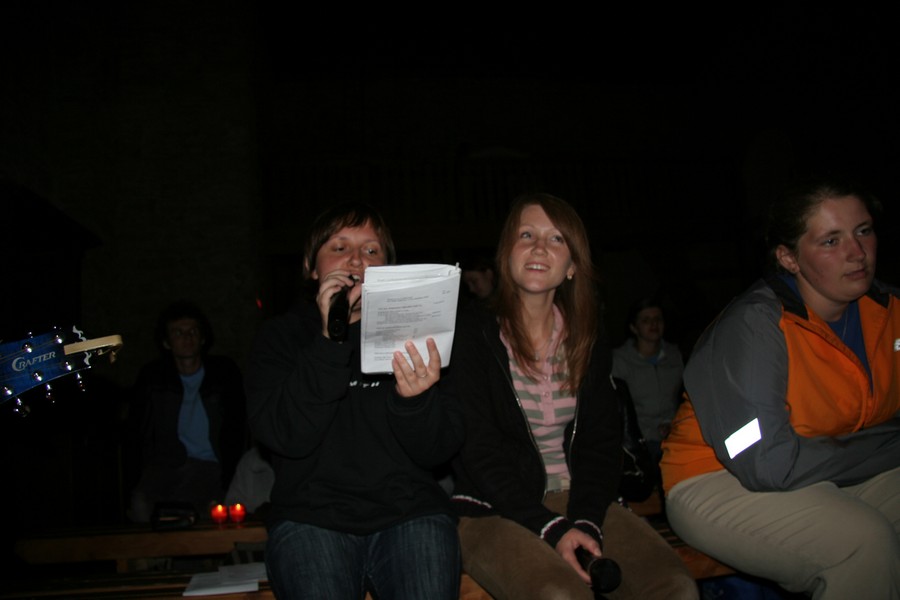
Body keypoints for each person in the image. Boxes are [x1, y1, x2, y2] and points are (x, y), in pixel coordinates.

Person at [448, 193, 697, 600]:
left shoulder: (586, 335)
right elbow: (477, 449)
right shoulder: (471, 332)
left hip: (581, 498)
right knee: (559, 595)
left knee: (674, 587)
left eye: (556, 238)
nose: (539, 247)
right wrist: (551, 528)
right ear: (506, 253)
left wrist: (586, 520)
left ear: (572, 266)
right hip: (491, 507)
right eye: (526, 235)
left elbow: (601, 442)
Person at [661, 179, 900, 599]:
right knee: (862, 544)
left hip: (826, 465)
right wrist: (888, 445)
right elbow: (766, 463)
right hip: (719, 477)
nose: (857, 253)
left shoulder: (891, 312)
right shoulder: (754, 328)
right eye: (831, 240)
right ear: (789, 258)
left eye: (863, 231)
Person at [245, 203, 464, 599]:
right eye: (339, 247)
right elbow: (285, 435)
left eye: (371, 250)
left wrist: (414, 400)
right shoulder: (280, 338)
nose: (357, 260)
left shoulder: (418, 334)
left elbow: (440, 450)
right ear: (312, 268)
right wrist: (330, 342)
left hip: (410, 513)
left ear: (387, 269)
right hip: (311, 518)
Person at [127, 301, 247, 522]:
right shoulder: (154, 378)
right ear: (166, 342)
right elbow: (139, 430)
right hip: (166, 467)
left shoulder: (223, 374)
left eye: (193, 331)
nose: (187, 338)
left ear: (203, 337)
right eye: (178, 333)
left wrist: (231, 470)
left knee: (205, 510)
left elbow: (237, 425)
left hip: (212, 467)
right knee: (141, 504)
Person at [612, 298, 684, 471]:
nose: (653, 324)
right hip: (639, 441)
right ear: (634, 327)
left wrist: (671, 424)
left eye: (658, 319)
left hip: (673, 436)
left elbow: (682, 399)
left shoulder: (675, 356)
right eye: (646, 320)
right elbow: (617, 409)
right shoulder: (620, 361)